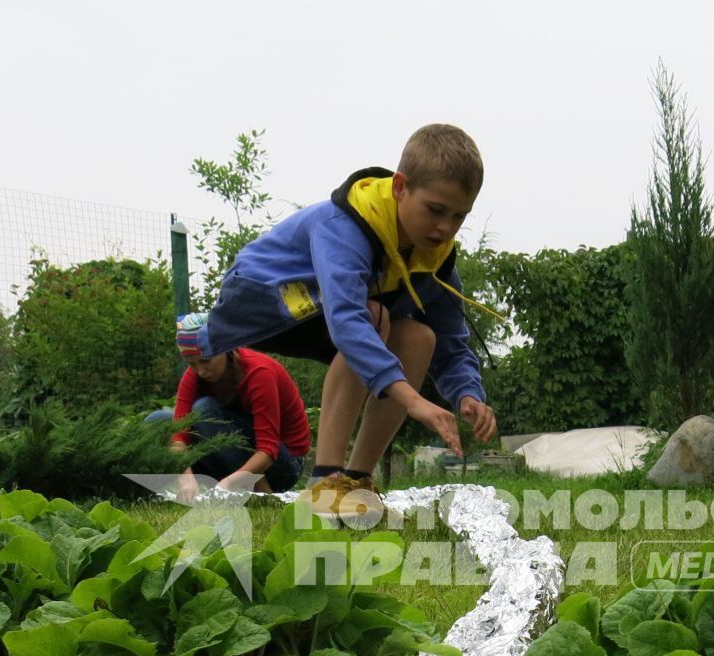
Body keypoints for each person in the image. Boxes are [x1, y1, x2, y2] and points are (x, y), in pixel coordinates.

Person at [174, 123, 499, 520]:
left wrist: (468, 394)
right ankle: (324, 483)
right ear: (400, 187)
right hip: (264, 299)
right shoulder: (345, 226)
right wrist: (414, 401)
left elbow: (451, 339)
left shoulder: (435, 258)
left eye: (458, 216)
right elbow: (347, 320)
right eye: (435, 210)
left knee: (419, 336)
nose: (445, 227)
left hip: (345, 310)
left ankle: (356, 483)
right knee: (372, 316)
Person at [160, 345, 310, 500]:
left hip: (283, 463)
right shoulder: (195, 375)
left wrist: (229, 483)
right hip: (236, 452)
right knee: (158, 421)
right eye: (192, 364)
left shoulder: (259, 372)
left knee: (203, 409)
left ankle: (262, 493)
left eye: (206, 361)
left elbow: (268, 451)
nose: (201, 371)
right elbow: (178, 436)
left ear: (225, 349)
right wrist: (186, 480)